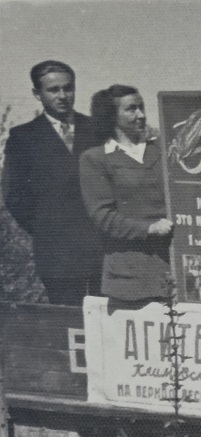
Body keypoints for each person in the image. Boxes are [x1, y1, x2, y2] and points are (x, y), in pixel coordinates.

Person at [1, 60, 102, 305]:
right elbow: (15, 195)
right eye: (53, 90)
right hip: (57, 249)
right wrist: (47, 228)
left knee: (106, 316)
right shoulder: (23, 137)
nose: (63, 96)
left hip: (101, 245)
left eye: (68, 88)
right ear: (37, 93)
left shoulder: (98, 130)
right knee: (68, 317)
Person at [79, 85, 173, 304]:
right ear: (112, 116)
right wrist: (149, 229)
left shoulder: (163, 150)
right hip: (129, 273)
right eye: (131, 109)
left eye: (141, 107)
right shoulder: (95, 159)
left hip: (172, 265)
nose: (140, 114)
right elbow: (103, 216)